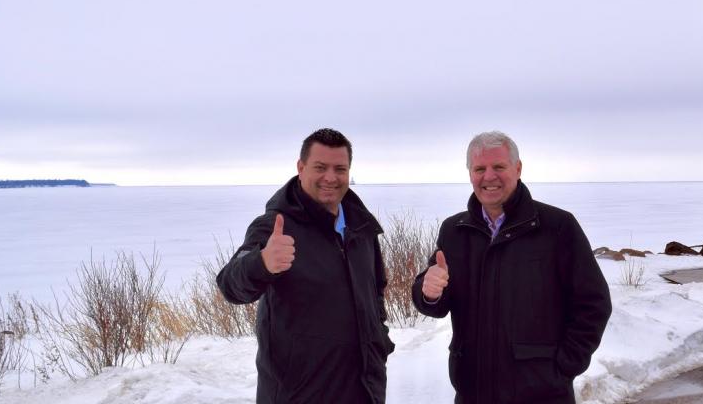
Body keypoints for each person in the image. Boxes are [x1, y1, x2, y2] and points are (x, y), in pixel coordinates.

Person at [412, 131, 612, 404]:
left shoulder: (557, 227)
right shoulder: (454, 231)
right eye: (479, 169)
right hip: (473, 394)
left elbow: (594, 303)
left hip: (543, 395)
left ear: (518, 169)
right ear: (470, 174)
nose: (489, 176)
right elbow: (435, 303)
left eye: (499, 166)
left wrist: (563, 367)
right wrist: (429, 291)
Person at [217, 128, 394, 404]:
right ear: (301, 168)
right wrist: (261, 263)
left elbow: (376, 291)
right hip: (299, 393)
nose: (330, 177)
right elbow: (229, 284)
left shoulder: (361, 227)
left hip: (363, 390)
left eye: (340, 169)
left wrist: (379, 340)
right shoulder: (276, 226)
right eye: (320, 167)